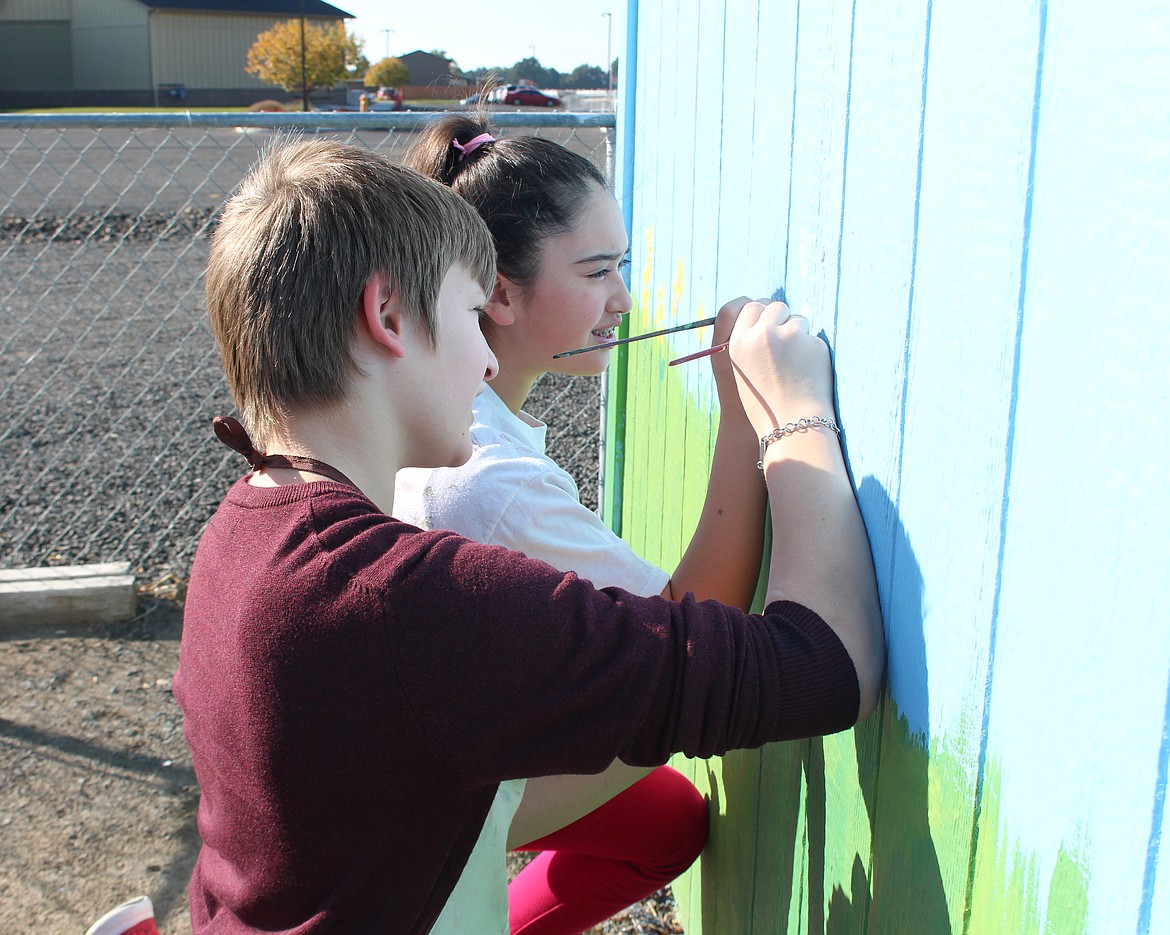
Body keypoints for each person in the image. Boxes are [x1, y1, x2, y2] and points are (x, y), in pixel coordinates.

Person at [173, 137, 884, 935]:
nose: (484, 358)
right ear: (389, 317)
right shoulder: (407, 600)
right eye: (470, 313)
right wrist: (793, 418)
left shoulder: (239, 533)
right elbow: (826, 669)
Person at [394, 114, 778, 934]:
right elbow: (689, 631)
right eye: (599, 270)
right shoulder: (492, 481)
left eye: (624, 266)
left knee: (663, 819)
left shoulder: (449, 408)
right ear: (497, 291)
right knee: (655, 710)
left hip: (419, 743)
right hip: (409, 793)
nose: (624, 298)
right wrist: (748, 419)